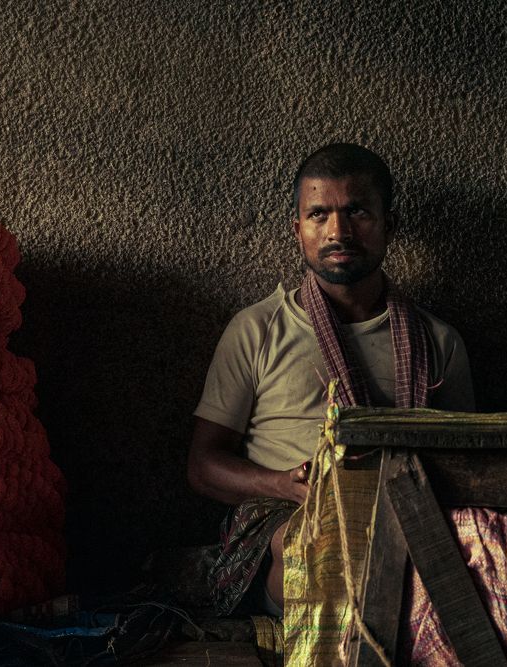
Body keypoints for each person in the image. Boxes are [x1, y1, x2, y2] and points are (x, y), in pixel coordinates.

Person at [187, 143, 475, 617]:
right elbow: (202, 467)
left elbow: (467, 468)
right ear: (297, 229)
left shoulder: (438, 342)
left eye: (357, 211)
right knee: (319, 546)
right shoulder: (258, 329)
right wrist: (287, 485)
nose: (337, 231)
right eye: (318, 214)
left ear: (389, 225)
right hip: (288, 520)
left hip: (409, 515)